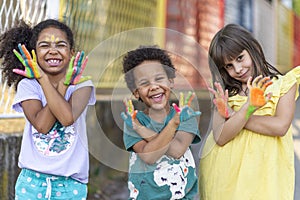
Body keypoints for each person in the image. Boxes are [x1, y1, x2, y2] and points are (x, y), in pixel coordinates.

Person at [199, 23, 300, 200]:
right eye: (228, 66)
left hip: (266, 174)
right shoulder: (226, 92)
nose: (237, 69)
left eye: (240, 58)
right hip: (225, 176)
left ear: (253, 49)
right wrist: (248, 107)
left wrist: (233, 116)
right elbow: (221, 137)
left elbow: (280, 126)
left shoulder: (284, 85)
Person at [0, 19, 96, 199]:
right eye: (45, 45)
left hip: (71, 184)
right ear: (34, 53)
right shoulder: (29, 86)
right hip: (31, 183)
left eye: (61, 45)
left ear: (71, 53)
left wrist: (64, 83)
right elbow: (42, 126)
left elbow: (67, 118)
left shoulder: (83, 86)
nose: (53, 50)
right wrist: (44, 79)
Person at [121, 45, 202, 199]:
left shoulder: (186, 115)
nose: (154, 86)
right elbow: (149, 156)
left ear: (171, 81)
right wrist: (172, 126)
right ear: (136, 92)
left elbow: (177, 151)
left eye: (159, 79)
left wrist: (144, 131)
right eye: (144, 83)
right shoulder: (134, 121)